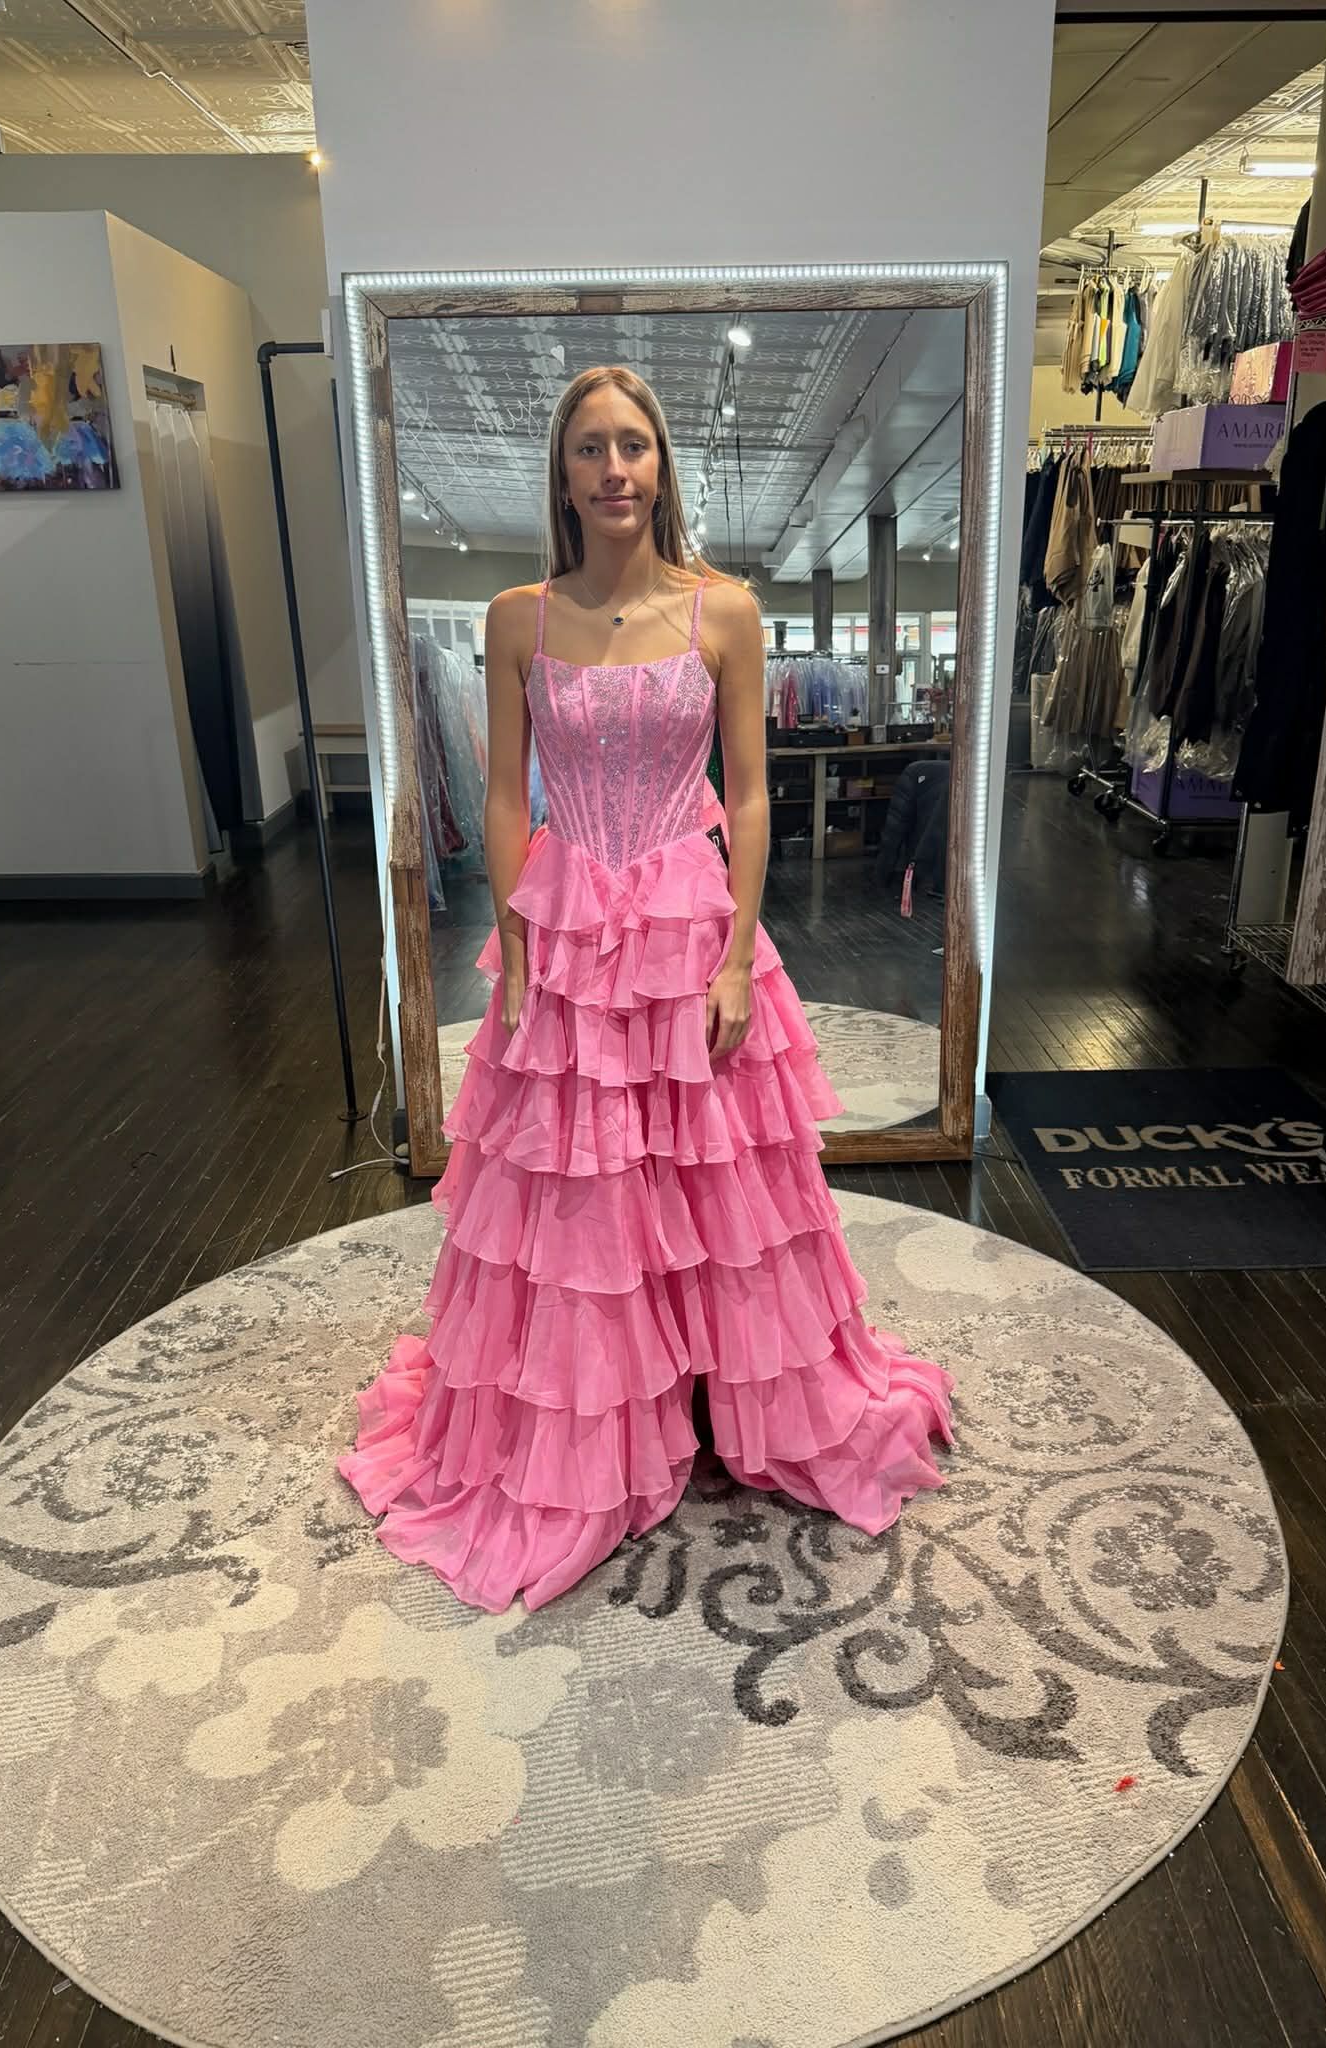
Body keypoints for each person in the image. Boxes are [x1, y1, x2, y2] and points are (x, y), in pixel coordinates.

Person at [337, 365, 953, 1612]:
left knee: (715, 1174)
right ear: (561, 475)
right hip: (567, 921)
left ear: (662, 465)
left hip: (684, 913)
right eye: (590, 450)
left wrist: (736, 950)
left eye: (634, 446)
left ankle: (732, 1388)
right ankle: (609, 1413)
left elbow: (755, 791)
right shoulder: (519, 616)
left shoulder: (724, 611)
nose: (615, 469)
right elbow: (508, 798)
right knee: (586, 1192)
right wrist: (515, 944)